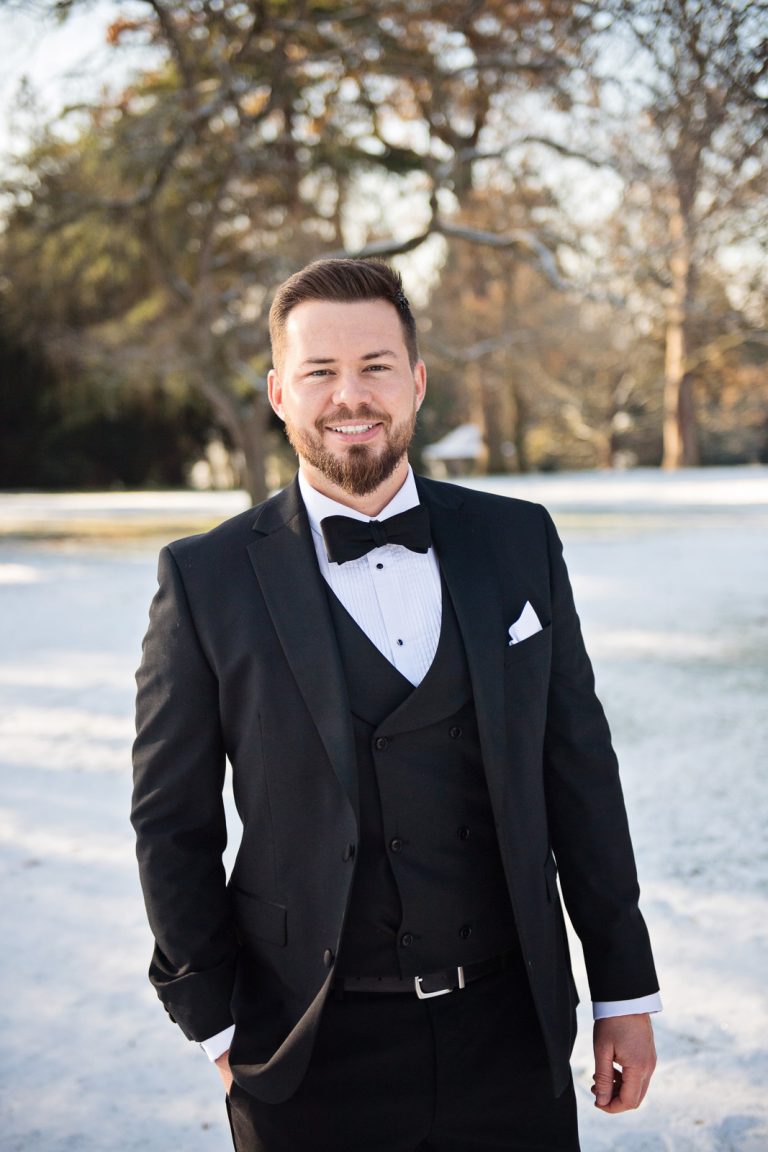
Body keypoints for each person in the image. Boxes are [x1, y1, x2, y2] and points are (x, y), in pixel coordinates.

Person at [131, 258, 660, 1152]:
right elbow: (171, 820)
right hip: (307, 1049)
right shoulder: (205, 577)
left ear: (415, 380)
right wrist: (214, 1019)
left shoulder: (516, 538)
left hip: (511, 1031)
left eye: (376, 366)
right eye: (320, 372)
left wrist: (624, 991)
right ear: (277, 392)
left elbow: (580, 772)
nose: (351, 396)